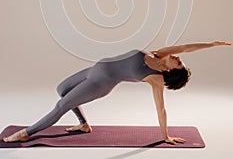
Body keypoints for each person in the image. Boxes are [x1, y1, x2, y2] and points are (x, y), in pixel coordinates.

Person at [2, 40, 231, 145]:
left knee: (61, 107)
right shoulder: (159, 54)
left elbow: (160, 108)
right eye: (180, 61)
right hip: (92, 70)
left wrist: (165, 136)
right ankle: (83, 124)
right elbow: (184, 47)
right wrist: (211, 45)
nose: (179, 58)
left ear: (172, 72)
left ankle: (26, 133)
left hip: (99, 83)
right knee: (61, 90)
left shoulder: (155, 78)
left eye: (179, 64)